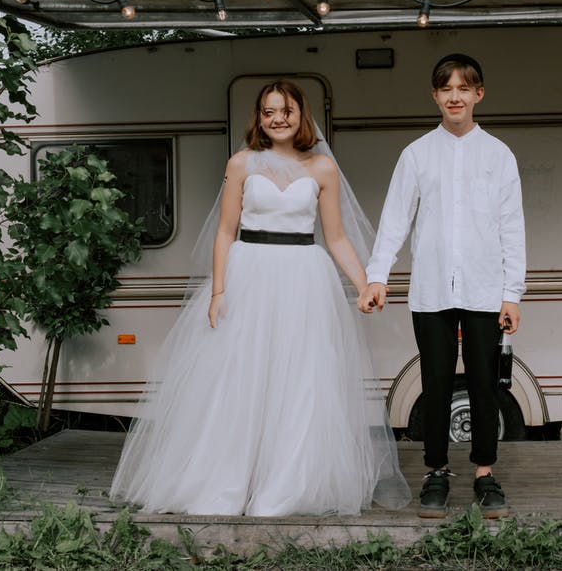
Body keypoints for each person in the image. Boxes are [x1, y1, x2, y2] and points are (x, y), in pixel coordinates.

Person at [111, 80, 409, 516]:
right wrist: (217, 290)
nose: (277, 118)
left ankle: (286, 485)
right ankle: (228, 482)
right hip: (248, 273)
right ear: (259, 117)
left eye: (286, 110)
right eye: (269, 111)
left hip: (304, 277)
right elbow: (225, 232)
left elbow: (338, 238)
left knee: (300, 380)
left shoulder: (322, 169)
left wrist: (365, 283)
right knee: (240, 376)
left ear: (300, 115)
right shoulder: (242, 163)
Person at [358, 53, 526, 519]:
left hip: (484, 290)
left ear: (478, 94)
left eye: (464, 87)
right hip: (430, 290)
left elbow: (512, 227)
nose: (455, 96)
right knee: (433, 384)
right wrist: (377, 276)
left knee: (483, 384)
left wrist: (513, 292)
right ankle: (435, 471)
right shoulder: (415, 155)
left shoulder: (499, 155)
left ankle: (484, 474)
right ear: (435, 95)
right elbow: (395, 220)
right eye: (446, 88)